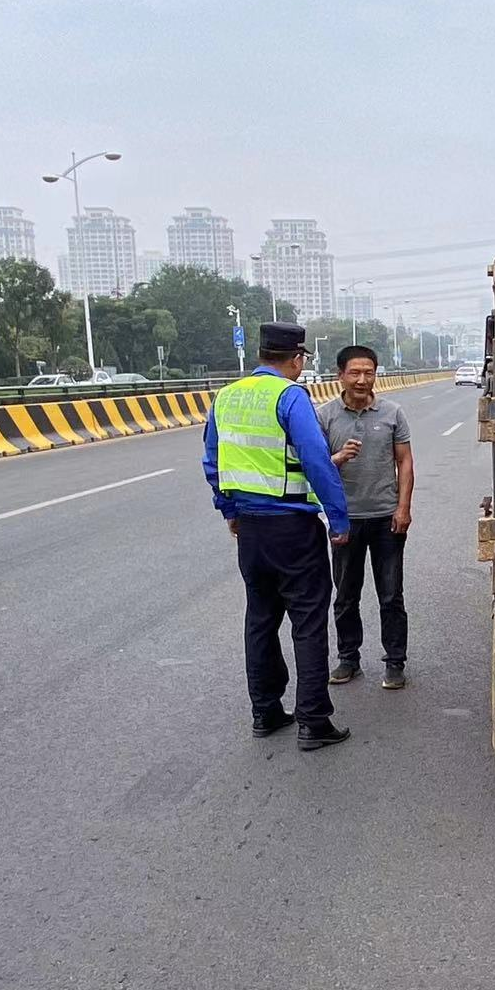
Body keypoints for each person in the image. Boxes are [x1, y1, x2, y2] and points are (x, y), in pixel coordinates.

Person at [203, 322, 352, 752]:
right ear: (298, 358)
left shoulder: (226, 397)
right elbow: (317, 461)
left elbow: (212, 460)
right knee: (307, 622)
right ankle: (313, 720)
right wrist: (338, 520)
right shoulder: (291, 397)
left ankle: (265, 711)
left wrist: (229, 510)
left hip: (250, 530)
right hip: (292, 528)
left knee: (260, 620)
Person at [317, 344, 415, 691]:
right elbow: (315, 468)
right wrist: (339, 457)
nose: (362, 379)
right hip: (345, 520)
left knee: (391, 595)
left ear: (376, 373)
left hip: (386, 518)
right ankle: (348, 659)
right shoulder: (325, 416)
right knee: (345, 594)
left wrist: (403, 508)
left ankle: (395, 662)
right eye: (355, 373)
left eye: (368, 372)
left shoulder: (392, 412)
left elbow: (404, 461)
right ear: (340, 375)